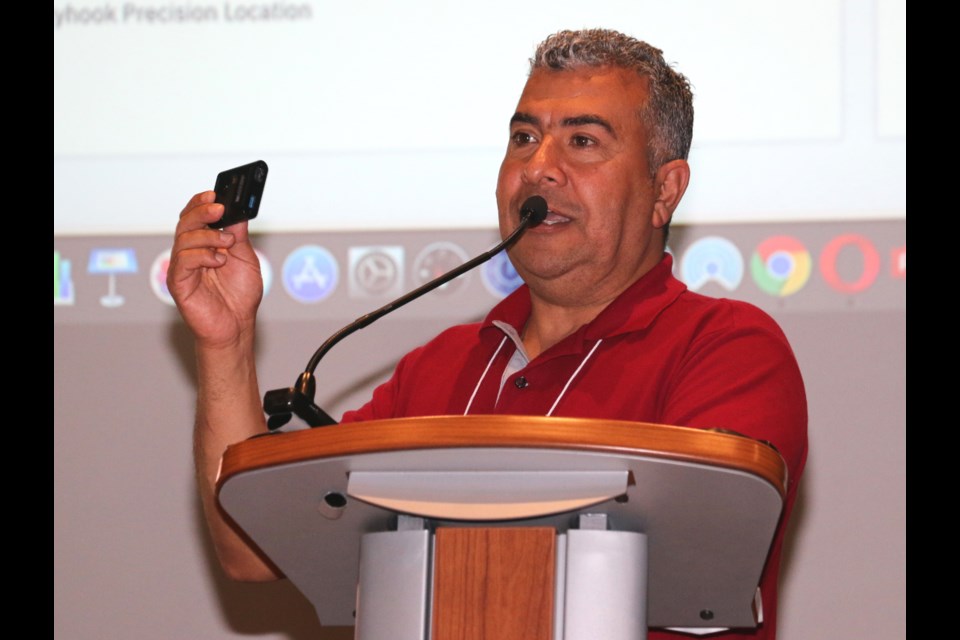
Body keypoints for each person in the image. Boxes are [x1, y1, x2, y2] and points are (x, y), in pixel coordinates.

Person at [169, 28, 807, 639]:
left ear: (664, 189)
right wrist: (225, 343)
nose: (540, 168)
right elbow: (250, 550)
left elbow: (702, 552)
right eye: (524, 138)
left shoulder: (726, 348)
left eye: (582, 142)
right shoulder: (440, 367)